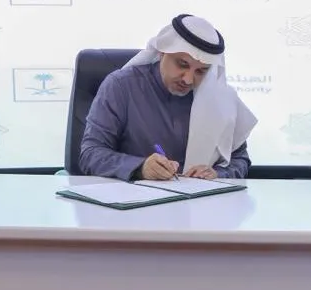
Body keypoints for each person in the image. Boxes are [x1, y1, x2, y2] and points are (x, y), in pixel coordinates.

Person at [79, 14, 257, 181]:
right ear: (162, 52)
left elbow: (240, 159)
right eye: (182, 64)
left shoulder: (221, 99)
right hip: (135, 200)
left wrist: (218, 173)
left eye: (200, 71)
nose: (188, 79)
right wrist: (140, 167)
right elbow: (90, 154)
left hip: (199, 201)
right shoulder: (121, 86)